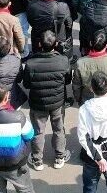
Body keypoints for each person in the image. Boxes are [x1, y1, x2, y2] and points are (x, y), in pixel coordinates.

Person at [18, 30, 72, 170]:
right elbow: (67, 80)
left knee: (38, 131)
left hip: (37, 103)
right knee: (59, 129)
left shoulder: (31, 63)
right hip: (57, 102)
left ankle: (37, 160)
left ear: (39, 44)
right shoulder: (63, 60)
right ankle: (59, 157)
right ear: (56, 44)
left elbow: (26, 84)